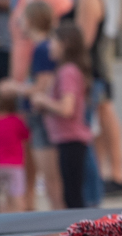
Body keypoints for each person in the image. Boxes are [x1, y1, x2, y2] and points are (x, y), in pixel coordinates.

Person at [74, 0, 122, 196]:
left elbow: (84, 40)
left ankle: (115, 174)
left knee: (102, 119)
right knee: (100, 121)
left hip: (95, 70)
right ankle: (107, 173)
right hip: (98, 69)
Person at [4, 0, 63, 210]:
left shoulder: (42, 49)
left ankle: (59, 225)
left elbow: (42, 86)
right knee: (44, 178)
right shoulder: (43, 47)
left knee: (51, 180)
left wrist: (15, 88)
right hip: (38, 119)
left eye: (23, 19)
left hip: (42, 119)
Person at [29, 23, 91, 209]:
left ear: (65, 44)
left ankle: (80, 234)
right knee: (70, 193)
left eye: (54, 41)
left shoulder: (68, 71)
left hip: (71, 140)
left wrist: (42, 100)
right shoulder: (65, 70)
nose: (50, 46)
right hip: (66, 139)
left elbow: (67, 108)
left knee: (72, 197)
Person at [0, 87, 30, 213]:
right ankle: (19, 212)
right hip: (15, 163)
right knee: (17, 192)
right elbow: (26, 135)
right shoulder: (16, 121)